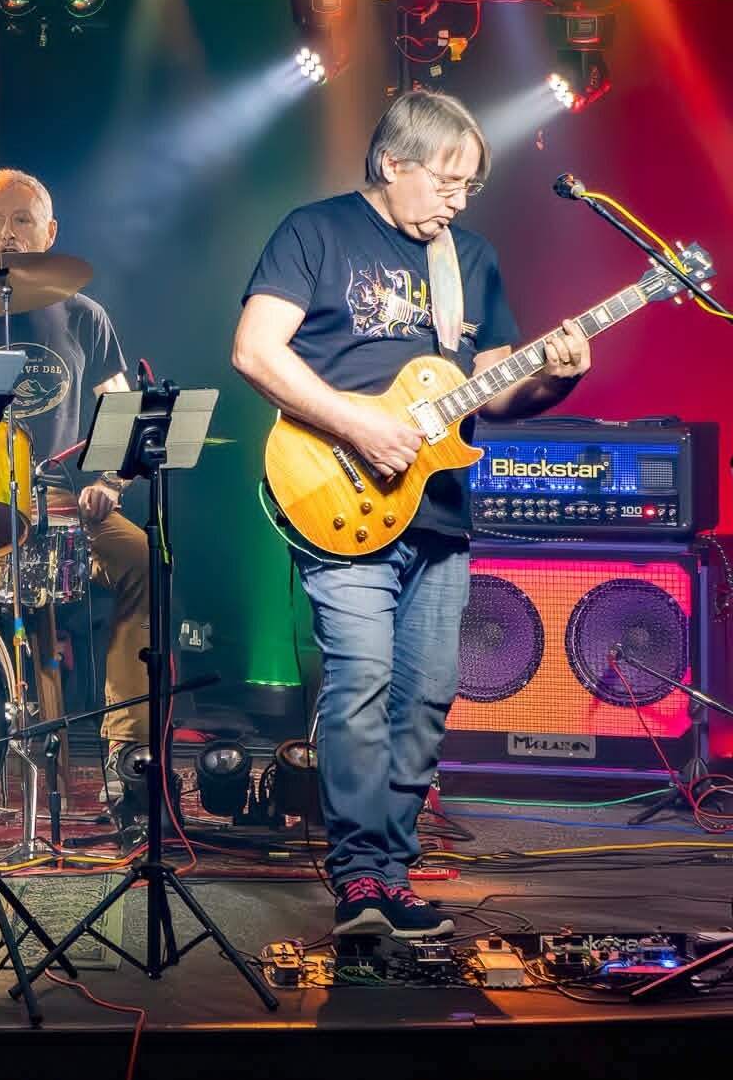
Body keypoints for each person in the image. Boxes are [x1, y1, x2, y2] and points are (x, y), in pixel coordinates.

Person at [232, 89, 590, 938]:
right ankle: (358, 875)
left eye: (470, 186)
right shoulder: (315, 232)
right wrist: (356, 423)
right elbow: (254, 350)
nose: (459, 200)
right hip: (343, 495)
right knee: (360, 684)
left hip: (440, 514)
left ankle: (391, 874)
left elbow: (495, 395)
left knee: (426, 698)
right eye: (446, 181)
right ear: (393, 162)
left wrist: (557, 378)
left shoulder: (472, 259)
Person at [0, 168, 149, 815]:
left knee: (142, 560)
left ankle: (127, 755)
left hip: (63, 505)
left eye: (21, 220)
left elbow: (123, 414)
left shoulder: (85, 315)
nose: (7, 234)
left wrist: (109, 482)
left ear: (50, 232)